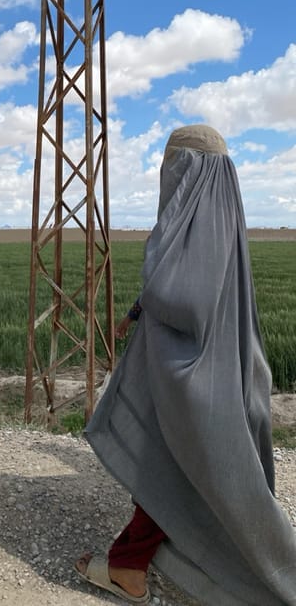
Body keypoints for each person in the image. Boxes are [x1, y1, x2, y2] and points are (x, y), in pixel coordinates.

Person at [75, 125, 296, 605]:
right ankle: (130, 563)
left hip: (193, 374)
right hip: (221, 365)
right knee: (178, 461)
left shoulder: (195, 224)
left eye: (172, 166)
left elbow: (183, 297)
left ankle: (135, 568)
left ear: (187, 170)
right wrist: (135, 312)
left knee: (175, 458)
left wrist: (148, 294)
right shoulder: (217, 216)